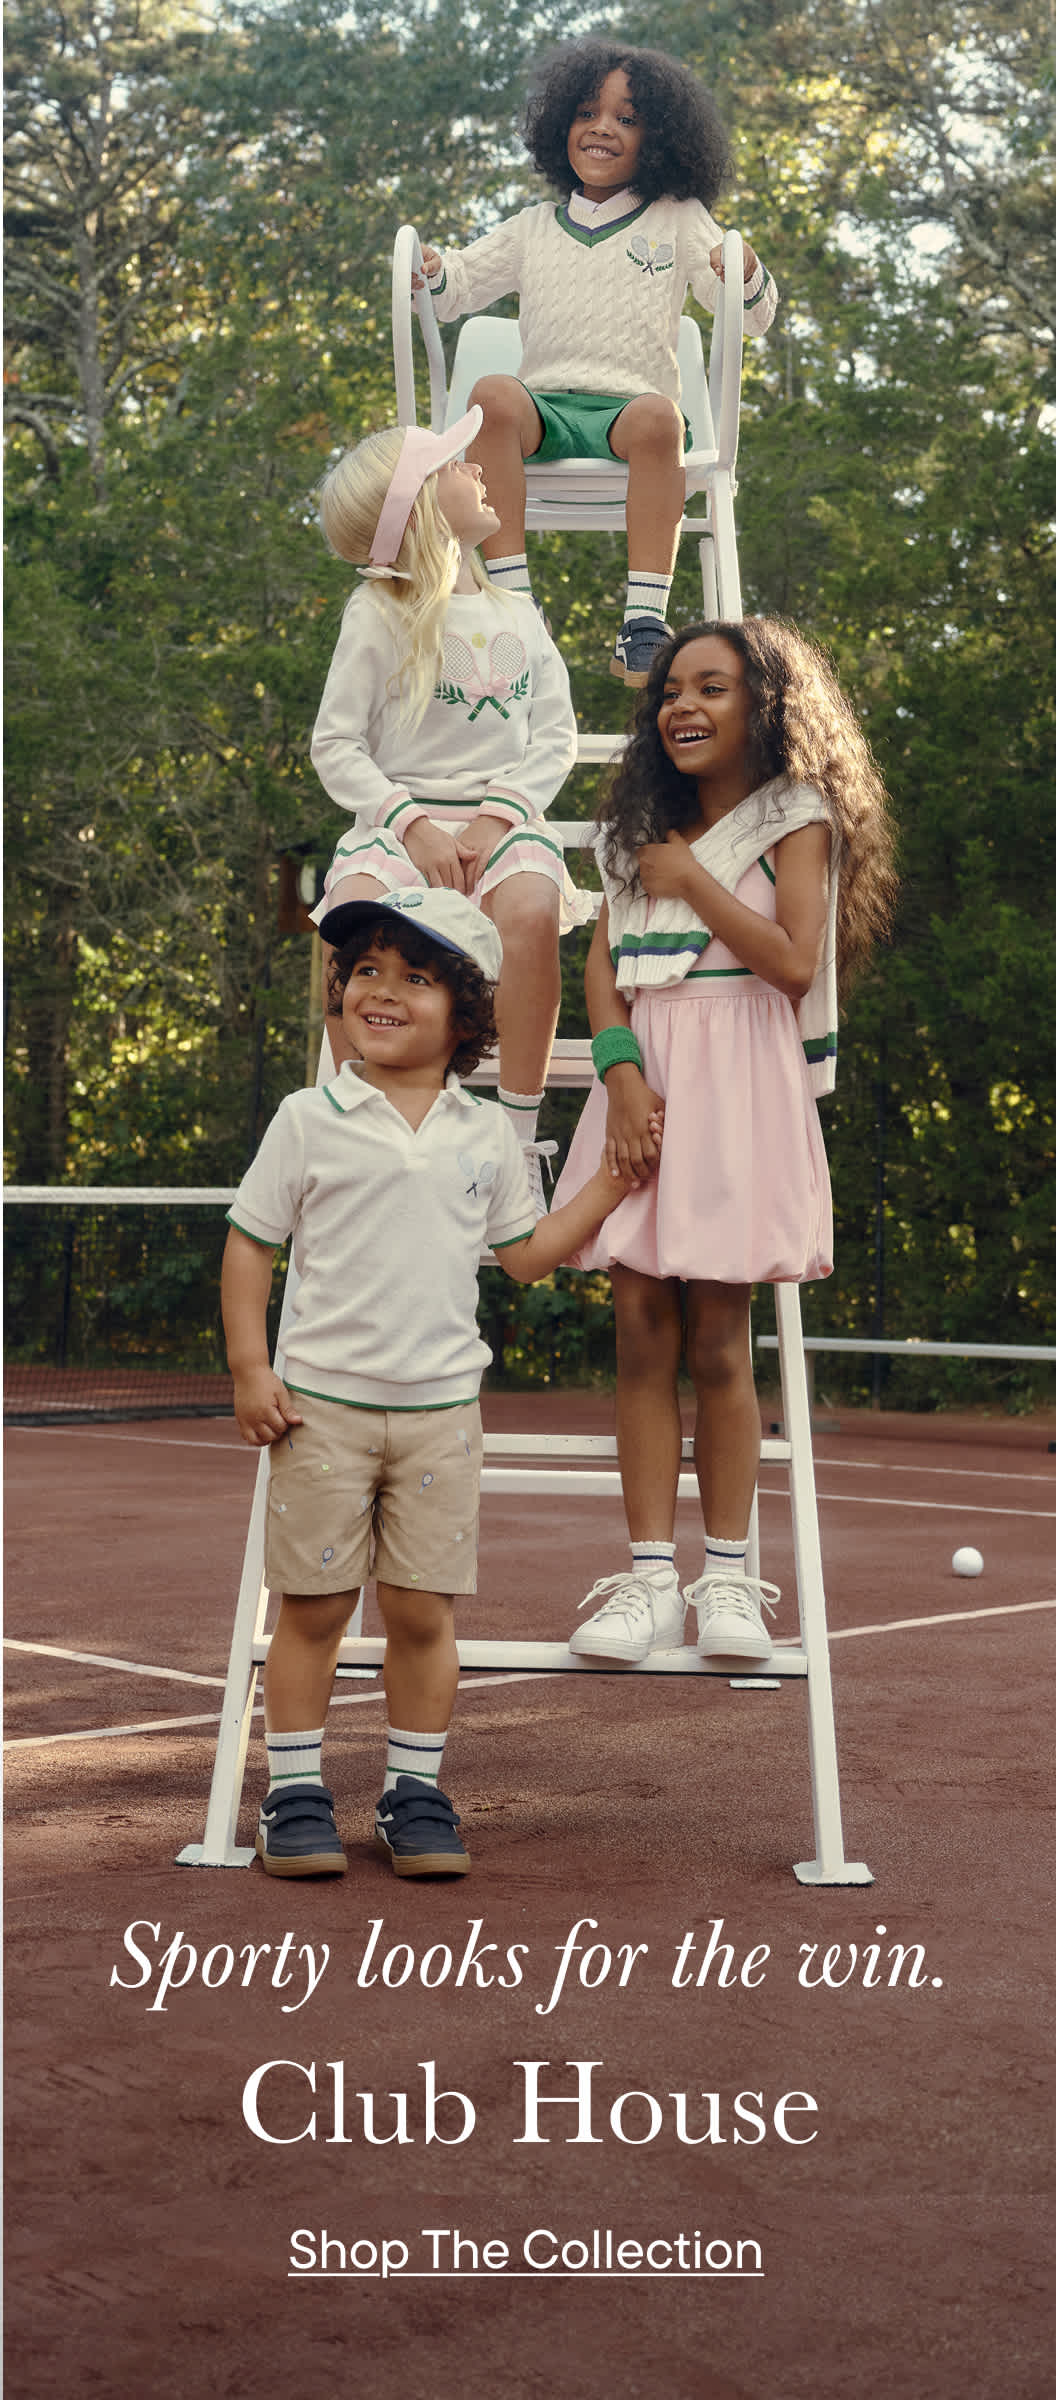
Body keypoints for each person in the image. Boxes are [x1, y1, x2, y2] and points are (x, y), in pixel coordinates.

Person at [221, 887, 647, 1880]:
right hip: (318, 1415)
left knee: (422, 1615)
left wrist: (611, 1184)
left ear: (466, 1015)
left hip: (441, 1421)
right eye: (366, 970)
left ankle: (413, 1795)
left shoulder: (485, 1135)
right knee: (314, 1611)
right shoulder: (307, 1118)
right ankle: (294, 1798)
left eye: (415, 976)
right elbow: (249, 1246)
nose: (381, 990)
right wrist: (249, 1368)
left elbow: (528, 1256)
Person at [551, 618, 897, 1666]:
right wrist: (620, 1079)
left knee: (717, 1338)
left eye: (712, 687)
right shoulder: (635, 829)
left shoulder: (796, 816)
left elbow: (792, 964)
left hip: (740, 1081)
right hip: (648, 1079)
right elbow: (602, 970)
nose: (683, 706)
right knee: (639, 1328)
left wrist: (694, 880)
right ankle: (651, 1582)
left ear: (765, 706)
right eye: (670, 690)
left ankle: (732, 1582)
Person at [416, 37, 778, 684]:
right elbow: (455, 292)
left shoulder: (676, 218)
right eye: (587, 113)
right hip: (545, 413)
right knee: (492, 395)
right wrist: (433, 269)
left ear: (659, 140)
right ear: (561, 127)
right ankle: (513, 604)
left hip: (629, 416)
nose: (603, 127)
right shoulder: (532, 226)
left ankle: (643, 622)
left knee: (662, 418)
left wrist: (742, 270)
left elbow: (749, 316)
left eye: (627, 118)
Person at [309, 408, 590, 1215]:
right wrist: (414, 827)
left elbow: (556, 737)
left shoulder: (518, 614)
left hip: (503, 822)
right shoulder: (378, 612)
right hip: (403, 822)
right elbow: (336, 745)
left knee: (530, 911)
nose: (475, 469)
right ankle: (360, 1130)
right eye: (453, 466)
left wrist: (497, 819)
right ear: (423, 509)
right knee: (350, 918)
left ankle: (516, 1136)